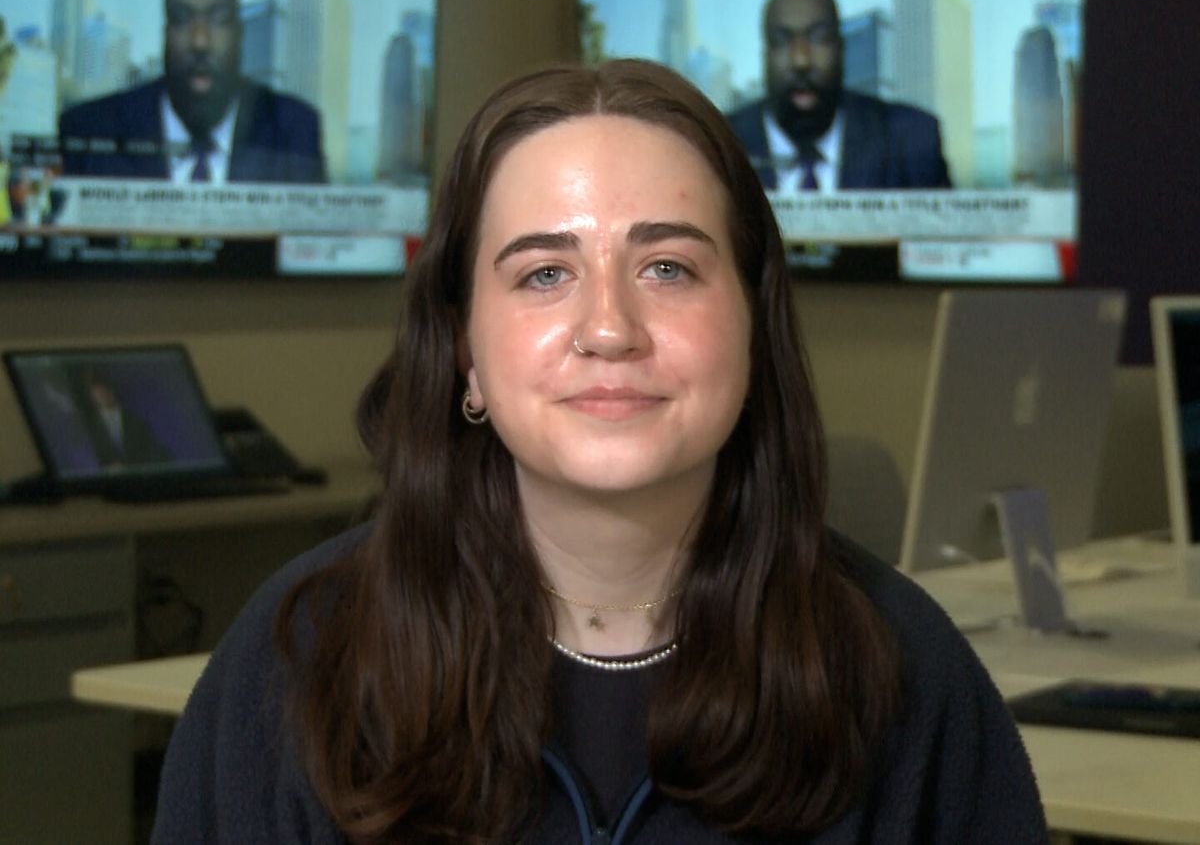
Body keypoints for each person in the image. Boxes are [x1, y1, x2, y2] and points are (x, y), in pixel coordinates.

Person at [152, 60, 1045, 843]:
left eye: (668, 268)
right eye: (545, 274)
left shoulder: (901, 667)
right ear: (465, 347)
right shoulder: (300, 661)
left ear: (752, 326)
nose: (609, 328)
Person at [58, 0, 326, 184]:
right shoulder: (87, 131)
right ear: (165, 33)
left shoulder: (295, 130)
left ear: (240, 34)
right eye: (182, 19)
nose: (200, 41)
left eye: (218, 19)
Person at [727, 0, 952, 192]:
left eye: (819, 37)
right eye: (782, 40)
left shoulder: (910, 139)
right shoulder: (721, 144)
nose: (801, 60)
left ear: (841, 49)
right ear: (765, 54)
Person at [78, 369, 170, 467]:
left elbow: (151, 451)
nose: (102, 395)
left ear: (112, 389)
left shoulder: (135, 421)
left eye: (104, 390)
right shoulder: (90, 427)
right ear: (92, 396)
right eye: (97, 392)